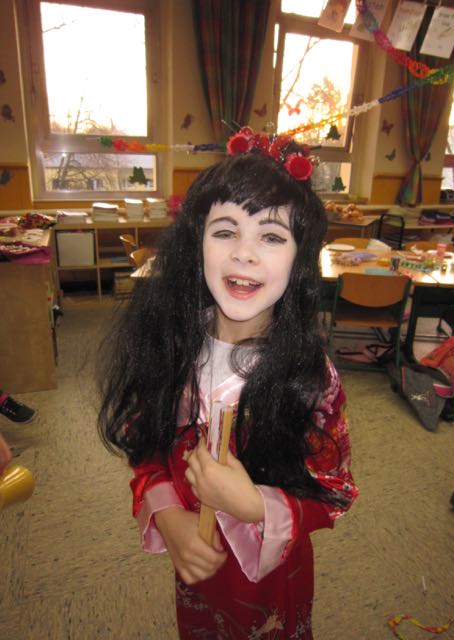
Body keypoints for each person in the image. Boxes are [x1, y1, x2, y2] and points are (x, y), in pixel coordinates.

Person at [97, 128, 358, 639]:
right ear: (196, 243)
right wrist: (167, 513)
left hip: (271, 582)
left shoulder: (312, 377)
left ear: (299, 258)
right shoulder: (172, 348)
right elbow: (145, 446)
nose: (244, 253)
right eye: (224, 231)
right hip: (196, 576)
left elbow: (336, 492)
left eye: (272, 237)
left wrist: (254, 504)